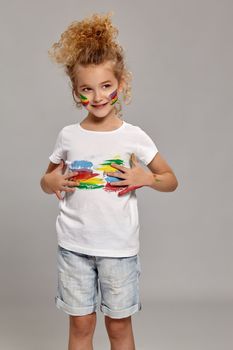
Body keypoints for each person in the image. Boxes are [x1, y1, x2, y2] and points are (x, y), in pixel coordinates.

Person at [40, 11, 178, 350]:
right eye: (87, 89)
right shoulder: (68, 136)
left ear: (121, 84)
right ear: (76, 92)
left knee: (118, 327)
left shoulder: (134, 136)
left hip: (118, 250)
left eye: (106, 86)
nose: (98, 97)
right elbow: (46, 180)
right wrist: (52, 183)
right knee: (81, 326)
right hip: (74, 248)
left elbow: (170, 179)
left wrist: (144, 177)